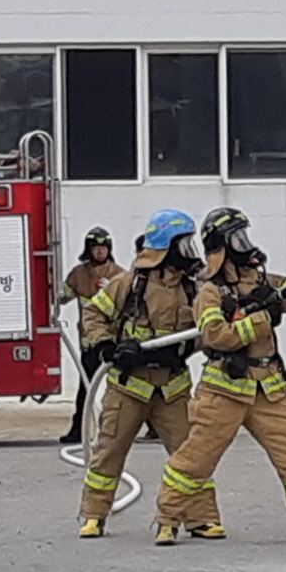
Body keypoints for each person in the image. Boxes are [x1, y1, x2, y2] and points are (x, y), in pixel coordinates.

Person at [151, 207, 286, 545]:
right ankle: (167, 519)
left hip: (268, 391)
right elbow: (215, 335)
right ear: (221, 247)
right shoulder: (210, 291)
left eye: (245, 236)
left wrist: (283, 299)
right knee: (195, 461)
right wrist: (261, 320)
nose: (245, 244)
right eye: (237, 238)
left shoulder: (264, 282)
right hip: (222, 393)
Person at [74, 210, 224, 539]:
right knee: (109, 452)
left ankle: (201, 518)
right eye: (183, 244)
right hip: (129, 387)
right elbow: (94, 313)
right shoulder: (129, 284)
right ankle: (94, 515)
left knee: (190, 454)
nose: (189, 252)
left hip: (172, 387)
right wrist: (108, 347)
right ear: (165, 247)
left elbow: (210, 327)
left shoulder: (195, 288)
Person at [59, 226, 125, 445]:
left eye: (104, 247)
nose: (100, 251)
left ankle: (144, 427)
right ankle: (78, 430)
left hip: (115, 342)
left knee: (126, 387)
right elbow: (62, 297)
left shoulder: (119, 275)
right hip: (89, 344)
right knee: (85, 389)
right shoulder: (79, 274)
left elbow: (129, 305)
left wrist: (114, 289)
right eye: (96, 247)